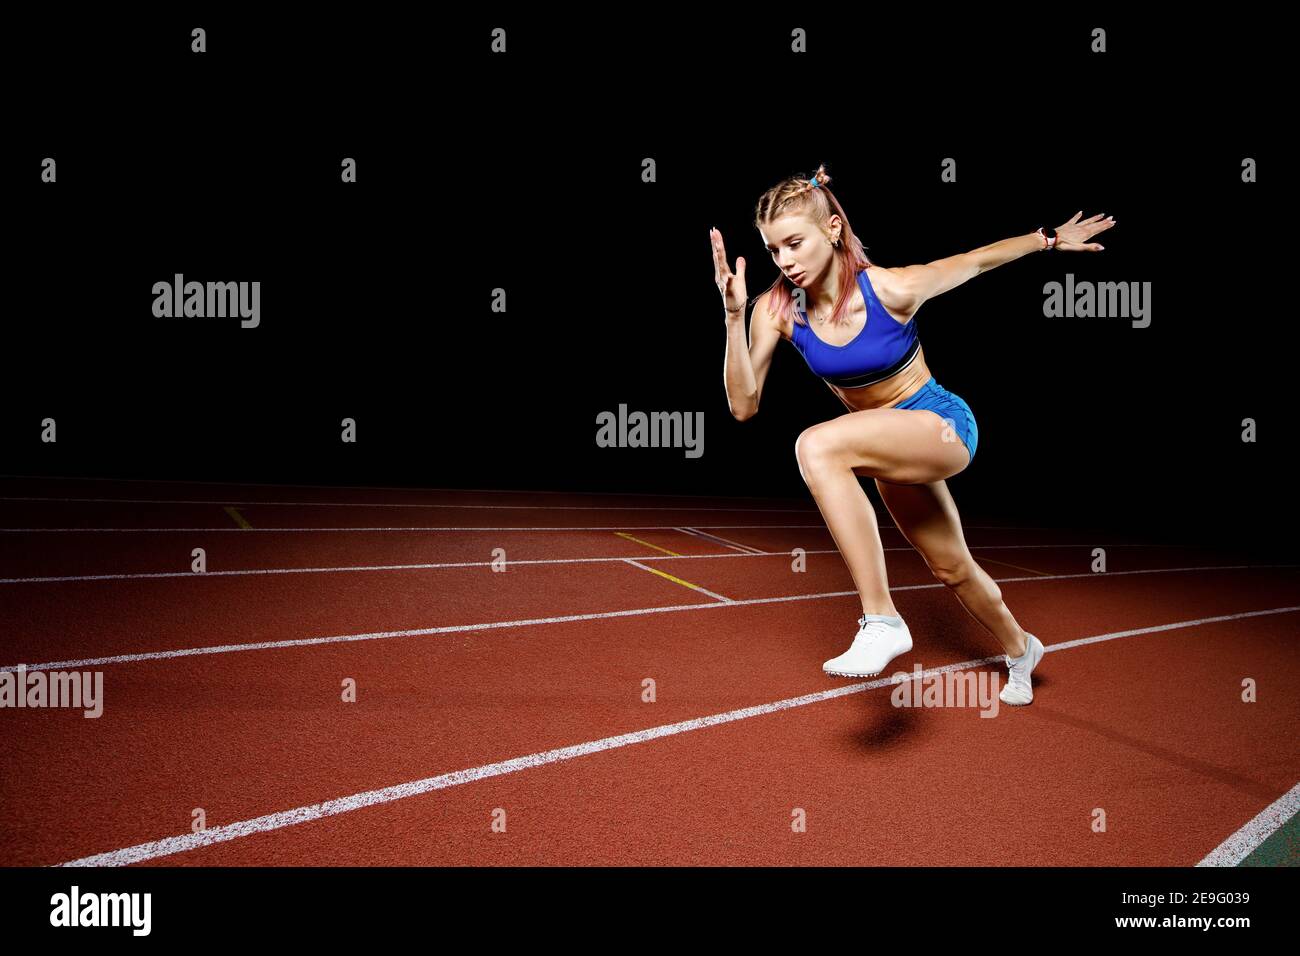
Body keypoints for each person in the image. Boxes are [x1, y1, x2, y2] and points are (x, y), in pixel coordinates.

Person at [711, 164, 1115, 705]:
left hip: (941, 426)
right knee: (952, 567)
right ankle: (1022, 649)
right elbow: (742, 405)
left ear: (832, 229)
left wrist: (1046, 239)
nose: (785, 261)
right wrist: (735, 319)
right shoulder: (777, 311)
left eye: (795, 243)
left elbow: (974, 261)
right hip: (882, 447)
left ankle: (881, 620)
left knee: (816, 445)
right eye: (773, 250)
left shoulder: (890, 288)